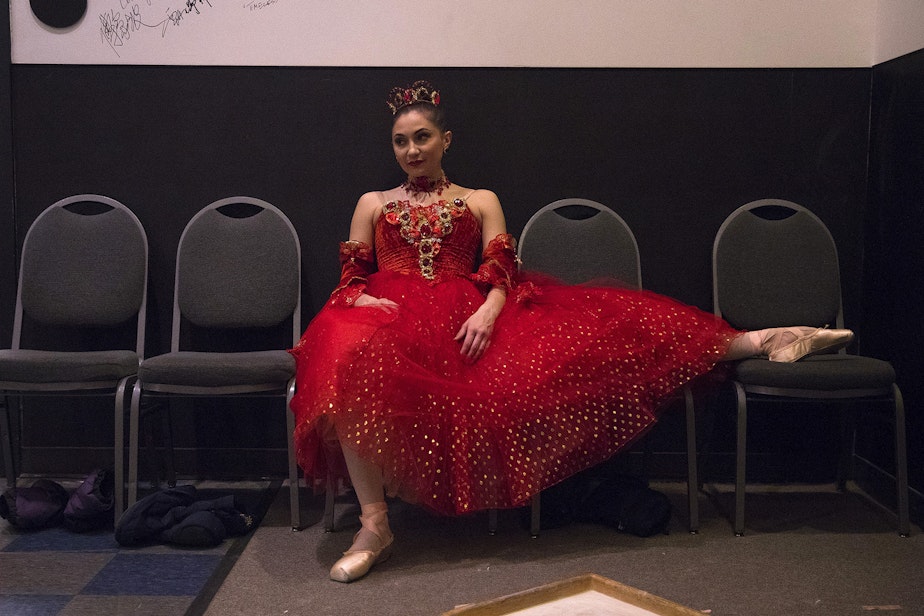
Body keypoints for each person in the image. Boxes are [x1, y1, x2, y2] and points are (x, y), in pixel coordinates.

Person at [288, 81, 853, 583]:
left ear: (446, 139)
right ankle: (375, 526)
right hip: (392, 319)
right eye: (400, 142)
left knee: (612, 325)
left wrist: (489, 310)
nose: (411, 151)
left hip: (473, 313)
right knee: (347, 361)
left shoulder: (480, 200)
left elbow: (501, 267)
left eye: (422, 138)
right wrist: (360, 297)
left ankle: (761, 339)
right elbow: (349, 279)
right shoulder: (374, 203)